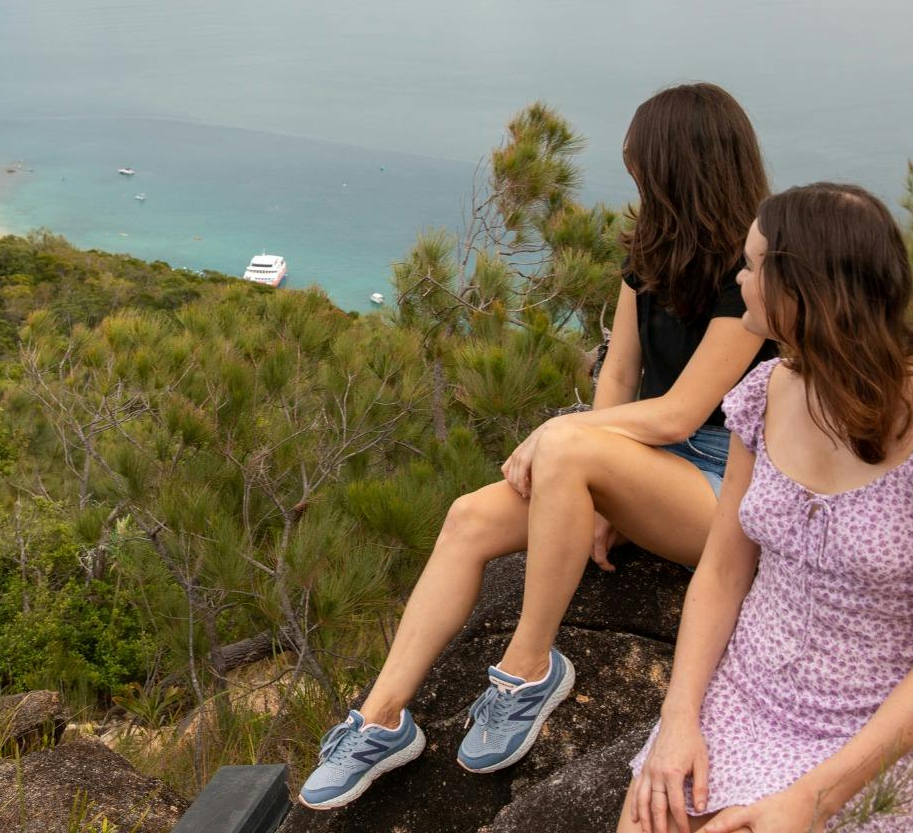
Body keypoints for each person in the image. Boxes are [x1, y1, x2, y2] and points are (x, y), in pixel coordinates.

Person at [300, 82, 774, 810]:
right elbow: (618, 371)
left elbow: (683, 414)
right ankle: (381, 718)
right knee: (466, 519)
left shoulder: (754, 278)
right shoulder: (651, 249)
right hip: (647, 458)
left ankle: (528, 669)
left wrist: (572, 441)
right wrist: (607, 484)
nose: (635, 180)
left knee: (564, 449)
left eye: (643, 166)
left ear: (684, 168)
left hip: (724, 483)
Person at [625, 184, 913, 833]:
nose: (738, 278)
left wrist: (811, 800)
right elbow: (722, 572)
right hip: (744, 694)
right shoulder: (766, 392)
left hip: (871, 741)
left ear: (801, 287)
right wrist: (679, 719)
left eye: (751, 264)